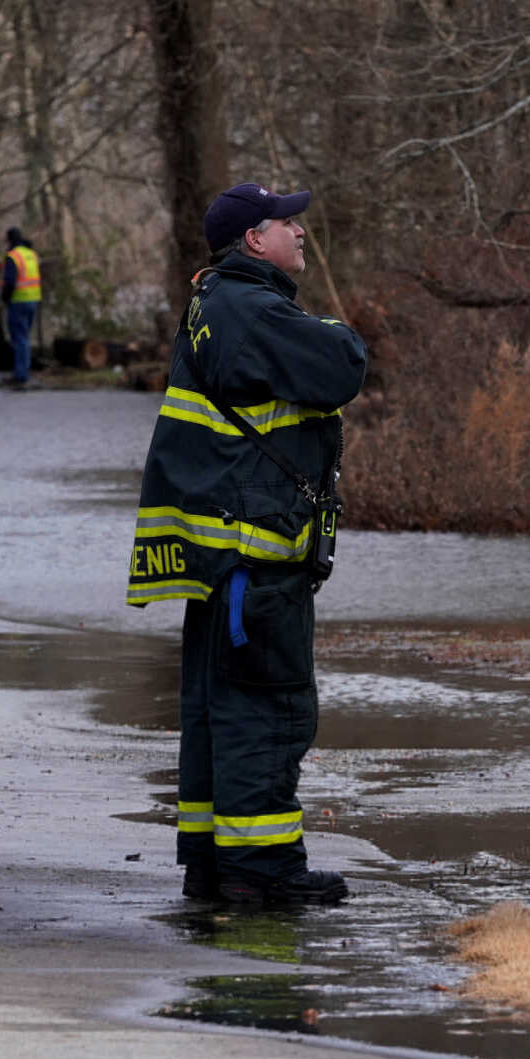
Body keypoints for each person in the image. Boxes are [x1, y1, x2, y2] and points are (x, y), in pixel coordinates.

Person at [126, 182, 367, 910]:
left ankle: (213, 859)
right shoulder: (251, 310)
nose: (300, 232)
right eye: (286, 223)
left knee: (215, 708)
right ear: (252, 240)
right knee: (269, 708)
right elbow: (343, 365)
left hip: (219, 557)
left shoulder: (211, 304)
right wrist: (330, 328)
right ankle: (260, 865)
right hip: (255, 553)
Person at [2, 228, 42, 388]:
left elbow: (10, 281)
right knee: (25, 337)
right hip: (33, 300)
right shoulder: (31, 254)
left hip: (18, 300)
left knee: (19, 338)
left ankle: (20, 374)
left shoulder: (13, 256)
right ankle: (24, 370)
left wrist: (4, 297)